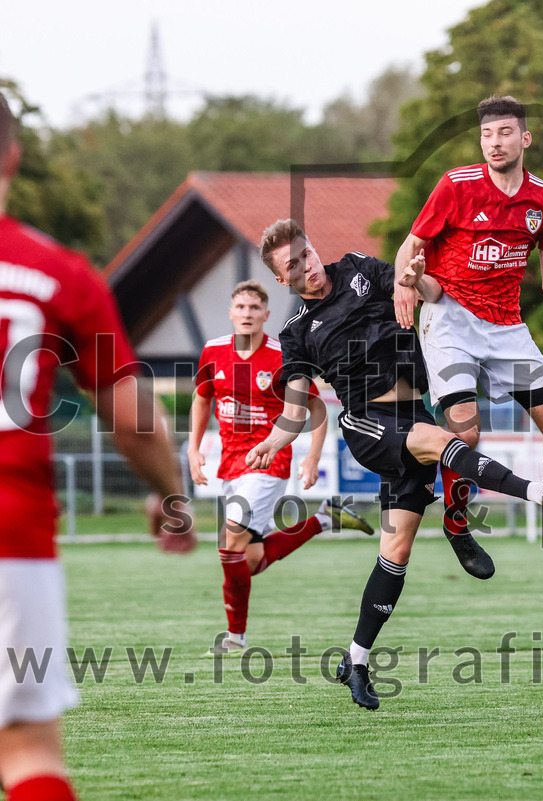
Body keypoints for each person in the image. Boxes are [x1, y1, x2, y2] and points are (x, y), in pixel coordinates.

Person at [249, 219, 543, 710]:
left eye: (305, 254)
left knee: (395, 551)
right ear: (280, 278)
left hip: (412, 413)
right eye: (292, 265)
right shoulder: (296, 332)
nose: (305, 266)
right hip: (367, 423)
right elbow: (294, 410)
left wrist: (418, 278)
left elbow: (429, 293)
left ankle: (355, 660)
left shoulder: (357, 268)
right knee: (444, 441)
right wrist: (274, 441)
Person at [0, 90, 196, 801]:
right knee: (28, 751)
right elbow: (135, 418)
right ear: (13, 155)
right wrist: (171, 497)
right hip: (13, 536)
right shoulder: (59, 273)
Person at [393, 94, 543, 579]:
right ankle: (457, 525)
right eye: (487, 135)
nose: (494, 143)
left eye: (505, 133)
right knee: (466, 433)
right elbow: (411, 246)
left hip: (507, 325)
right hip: (449, 318)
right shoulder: (456, 185)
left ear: (526, 139)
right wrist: (403, 284)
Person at [189, 280, 373, 656]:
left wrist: (313, 456)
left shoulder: (282, 356)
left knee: (230, 541)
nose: (247, 314)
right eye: (241, 307)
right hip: (231, 463)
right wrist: (193, 449)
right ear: (231, 312)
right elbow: (202, 397)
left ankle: (235, 638)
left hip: (268, 462)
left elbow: (316, 407)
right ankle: (324, 519)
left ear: (266, 315)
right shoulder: (213, 350)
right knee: (250, 561)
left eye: (254, 308)